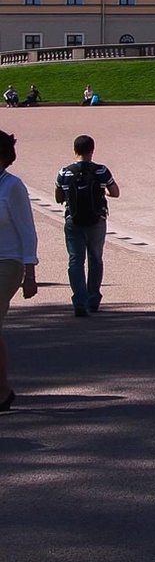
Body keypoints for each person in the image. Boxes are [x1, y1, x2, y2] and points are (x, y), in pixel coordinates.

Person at [54, 135, 120, 316]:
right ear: (92, 150)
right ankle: (93, 299)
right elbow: (115, 192)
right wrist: (103, 192)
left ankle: (79, 301)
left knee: (75, 260)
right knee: (95, 258)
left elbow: (59, 198)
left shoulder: (64, 172)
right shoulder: (101, 171)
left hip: (73, 220)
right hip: (96, 220)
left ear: (75, 150)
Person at [0, 130, 40, 412]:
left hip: (8, 262)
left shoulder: (12, 186)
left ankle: (2, 391)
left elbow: (27, 230)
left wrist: (30, 273)